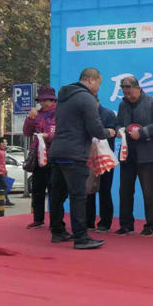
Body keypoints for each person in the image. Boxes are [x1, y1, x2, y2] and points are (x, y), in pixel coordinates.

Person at [49, 68, 115, 250]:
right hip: (75, 153)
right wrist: (108, 132)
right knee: (78, 196)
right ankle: (81, 237)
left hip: (57, 152)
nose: (99, 87)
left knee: (57, 196)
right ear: (91, 80)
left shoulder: (63, 97)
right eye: (100, 83)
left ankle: (58, 231)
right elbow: (95, 128)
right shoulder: (87, 98)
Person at [115, 76, 153, 237]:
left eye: (131, 93)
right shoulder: (122, 105)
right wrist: (119, 131)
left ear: (138, 88)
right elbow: (117, 123)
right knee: (125, 191)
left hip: (147, 155)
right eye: (125, 93)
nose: (129, 96)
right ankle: (126, 225)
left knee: (149, 192)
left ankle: (150, 225)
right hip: (127, 154)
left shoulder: (152, 103)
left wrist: (142, 133)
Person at [23, 86, 57, 229]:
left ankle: (55, 221)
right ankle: (38, 219)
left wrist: (49, 136)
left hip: (54, 157)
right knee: (37, 189)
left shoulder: (60, 113)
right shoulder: (37, 114)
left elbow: (64, 133)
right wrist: (30, 119)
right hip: (38, 156)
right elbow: (27, 132)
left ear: (53, 100)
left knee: (54, 191)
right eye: (40, 100)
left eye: (45, 100)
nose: (42, 103)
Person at [86, 96, 117, 233]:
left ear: (98, 102)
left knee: (105, 190)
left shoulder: (108, 114)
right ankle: (88, 221)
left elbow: (111, 133)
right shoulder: (85, 113)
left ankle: (105, 223)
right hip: (88, 157)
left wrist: (100, 133)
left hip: (104, 158)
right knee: (88, 190)